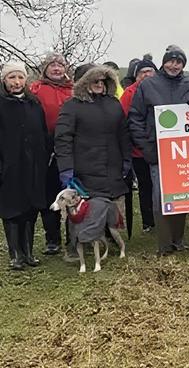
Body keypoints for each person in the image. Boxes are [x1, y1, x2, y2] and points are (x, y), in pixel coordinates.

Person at [129, 46, 189, 256]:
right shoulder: (148, 85)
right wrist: (146, 147)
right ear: (163, 62)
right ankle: (164, 244)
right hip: (158, 151)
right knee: (160, 199)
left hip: (185, 153)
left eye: (179, 62)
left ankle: (178, 240)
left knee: (182, 197)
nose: (174, 65)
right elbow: (135, 117)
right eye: (171, 61)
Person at [54, 66, 131, 247]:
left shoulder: (113, 104)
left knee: (111, 205)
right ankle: (76, 245)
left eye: (102, 81)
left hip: (112, 166)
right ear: (84, 83)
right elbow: (63, 138)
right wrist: (66, 168)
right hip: (85, 168)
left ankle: (111, 240)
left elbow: (123, 134)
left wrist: (127, 158)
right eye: (95, 81)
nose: (99, 84)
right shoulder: (72, 106)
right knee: (82, 208)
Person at [0, 61, 48, 270]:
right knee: (12, 208)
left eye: (20, 77)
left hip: (33, 165)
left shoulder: (34, 103)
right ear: (4, 80)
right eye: (12, 77)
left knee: (30, 207)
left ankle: (28, 251)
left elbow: (42, 132)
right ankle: (15, 254)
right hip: (9, 165)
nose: (17, 82)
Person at [29, 52, 73, 255]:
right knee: (49, 194)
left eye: (60, 65)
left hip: (70, 148)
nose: (56, 69)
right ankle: (52, 239)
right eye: (52, 65)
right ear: (45, 69)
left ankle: (74, 237)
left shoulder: (73, 90)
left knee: (72, 193)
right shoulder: (36, 90)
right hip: (45, 148)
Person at [120, 58, 158, 234]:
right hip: (138, 150)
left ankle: (164, 218)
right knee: (145, 186)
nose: (147, 75)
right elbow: (123, 120)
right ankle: (148, 222)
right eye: (142, 72)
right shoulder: (129, 93)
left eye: (150, 71)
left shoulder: (160, 89)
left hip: (161, 147)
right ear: (136, 76)